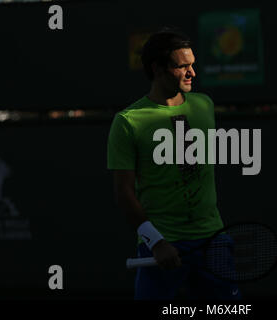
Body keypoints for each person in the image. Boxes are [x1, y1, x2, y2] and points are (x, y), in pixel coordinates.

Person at [107, 28, 241, 300]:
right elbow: (124, 193)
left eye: (193, 64)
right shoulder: (127, 122)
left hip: (213, 240)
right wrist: (156, 242)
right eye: (182, 66)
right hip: (163, 244)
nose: (192, 73)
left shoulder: (204, 105)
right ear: (157, 69)